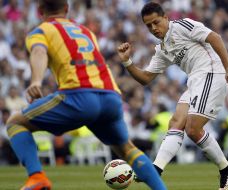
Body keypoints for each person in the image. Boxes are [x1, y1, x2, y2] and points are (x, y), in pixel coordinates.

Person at [6, 1, 167, 190]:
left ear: (40, 11)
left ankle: (37, 176)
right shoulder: (86, 32)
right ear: (66, 9)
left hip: (79, 95)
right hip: (111, 96)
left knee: (15, 122)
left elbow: (39, 51)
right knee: (127, 148)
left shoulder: (41, 31)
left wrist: (36, 81)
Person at [117, 2, 228, 190]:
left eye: (156, 22)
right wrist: (127, 62)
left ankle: (226, 169)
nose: (153, 28)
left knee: (192, 129)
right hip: (195, 80)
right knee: (176, 122)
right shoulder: (162, 49)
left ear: (166, 18)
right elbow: (146, 78)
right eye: (148, 26)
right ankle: (156, 169)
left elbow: (215, 37)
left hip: (213, 73)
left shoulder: (182, 26)